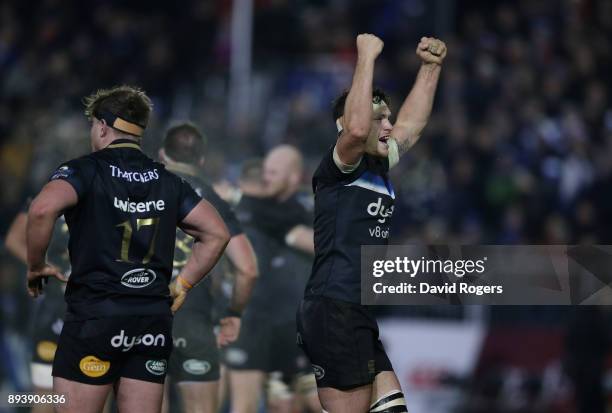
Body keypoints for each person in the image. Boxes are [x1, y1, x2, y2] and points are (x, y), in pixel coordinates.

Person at [25, 85, 230, 413]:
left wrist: (35, 265)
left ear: (102, 126)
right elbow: (217, 233)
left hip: (95, 316)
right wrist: (184, 283)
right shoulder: (169, 181)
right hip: (150, 321)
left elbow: (40, 210)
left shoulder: (85, 170)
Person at [296, 34, 446, 413]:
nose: (388, 124)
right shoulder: (339, 166)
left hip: (356, 311)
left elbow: (410, 127)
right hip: (333, 310)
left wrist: (430, 69)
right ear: (343, 123)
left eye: (388, 116)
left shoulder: (378, 166)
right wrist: (365, 55)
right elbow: (358, 130)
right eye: (380, 116)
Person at [158, 122, 258, 413]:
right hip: (194, 317)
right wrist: (234, 314)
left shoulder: (142, 187)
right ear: (201, 160)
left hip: (142, 313)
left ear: (162, 154)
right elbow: (248, 268)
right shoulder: (213, 200)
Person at [223, 146, 320, 413]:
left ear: (293, 177)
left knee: (292, 404)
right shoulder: (247, 207)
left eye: (273, 172)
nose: (266, 178)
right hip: (253, 321)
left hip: (295, 324)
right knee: (244, 405)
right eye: (265, 171)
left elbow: (331, 246)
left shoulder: (311, 207)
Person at [6, 207, 70, 413]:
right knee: (45, 396)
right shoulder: (49, 194)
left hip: (95, 314)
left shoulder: (110, 197)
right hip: (55, 311)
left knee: (91, 395)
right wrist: (38, 265)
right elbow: (13, 239)